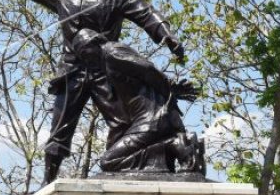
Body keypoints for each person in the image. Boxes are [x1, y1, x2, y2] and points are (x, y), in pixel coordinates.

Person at [16, 0, 186, 185]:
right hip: (72, 72)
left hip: (106, 72)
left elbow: (146, 13)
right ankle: (47, 183)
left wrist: (166, 34)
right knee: (60, 129)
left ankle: (120, 171)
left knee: (121, 123)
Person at [72, 28, 202, 173]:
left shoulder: (111, 53)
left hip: (152, 119)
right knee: (111, 160)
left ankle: (175, 144)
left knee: (108, 161)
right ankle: (175, 145)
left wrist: (170, 88)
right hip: (152, 118)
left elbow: (146, 69)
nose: (85, 59)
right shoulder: (109, 57)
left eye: (84, 52)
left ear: (94, 42)